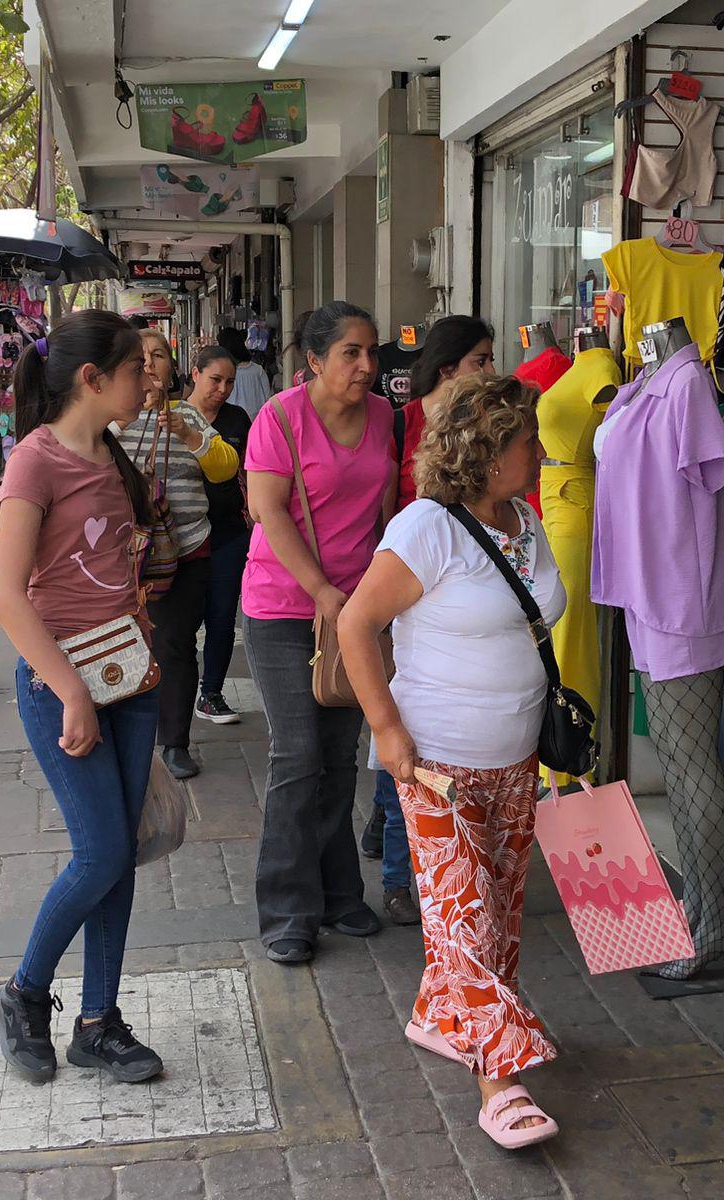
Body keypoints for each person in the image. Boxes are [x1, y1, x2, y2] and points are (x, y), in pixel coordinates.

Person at [339, 373, 564, 1149]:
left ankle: (441, 1016)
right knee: (464, 918)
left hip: (517, 754)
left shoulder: (524, 520)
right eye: (528, 439)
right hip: (437, 762)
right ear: (489, 449)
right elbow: (355, 625)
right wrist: (386, 728)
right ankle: (500, 1084)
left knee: (498, 912)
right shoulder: (426, 528)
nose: (541, 451)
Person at [0, 310, 165, 1085]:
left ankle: (98, 1022)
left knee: (120, 857)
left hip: (127, 677)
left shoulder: (116, 455)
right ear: (93, 379)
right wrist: (71, 693)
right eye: (136, 369)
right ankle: (24, 993)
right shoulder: (34, 461)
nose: (150, 379)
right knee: (101, 853)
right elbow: (6, 596)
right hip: (62, 687)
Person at [244, 301, 392, 965]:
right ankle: (286, 910)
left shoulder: (384, 416)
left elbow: (383, 511)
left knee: (338, 755)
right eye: (351, 353)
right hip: (282, 606)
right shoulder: (279, 418)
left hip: (357, 611)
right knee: (298, 754)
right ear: (314, 360)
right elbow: (267, 511)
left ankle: (338, 893)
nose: (366, 365)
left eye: (372, 352)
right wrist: (323, 592)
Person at [361, 314, 497, 928]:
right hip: (408, 586)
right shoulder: (402, 421)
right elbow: (384, 504)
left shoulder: (486, 423)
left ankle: (405, 838)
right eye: (480, 360)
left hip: (468, 590)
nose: (489, 370)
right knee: (404, 724)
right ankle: (399, 877)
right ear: (448, 368)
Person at [119, 326, 239, 779]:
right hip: (124, 554)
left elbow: (225, 468)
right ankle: (132, 735)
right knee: (132, 642)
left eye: (158, 356)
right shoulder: (113, 417)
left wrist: (187, 433)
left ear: (172, 368)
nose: (150, 364)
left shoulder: (187, 414)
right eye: (141, 356)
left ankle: (174, 742)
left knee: (176, 643)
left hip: (186, 549)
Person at [184, 346, 251, 725]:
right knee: (182, 622)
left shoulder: (237, 419)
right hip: (181, 537)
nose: (222, 389)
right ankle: (173, 695)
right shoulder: (175, 417)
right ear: (195, 373)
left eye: (229, 382)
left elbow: (251, 471)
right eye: (215, 379)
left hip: (228, 533)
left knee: (223, 617)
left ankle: (211, 693)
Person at [219, 326, 273, 420]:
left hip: (232, 421)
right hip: (257, 421)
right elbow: (268, 400)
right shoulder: (258, 370)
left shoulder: (226, 372)